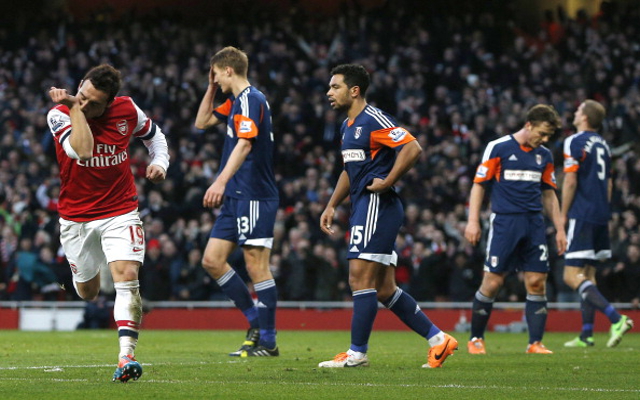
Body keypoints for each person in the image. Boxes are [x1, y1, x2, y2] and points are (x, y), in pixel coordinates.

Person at [318, 64, 458, 368]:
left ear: (354, 90)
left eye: (335, 86)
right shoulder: (347, 126)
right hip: (364, 207)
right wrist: (331, 205)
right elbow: (348, 170)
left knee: (359, 279)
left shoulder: (373, 119)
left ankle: (357, 353)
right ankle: (439, 340)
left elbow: (412, 147)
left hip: (376, 206)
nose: (329, 92)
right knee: (383, 289)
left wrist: (389, 180)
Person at [47, 64, 170, 382]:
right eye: (82, 96)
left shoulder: (127, 109)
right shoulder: (59, 114)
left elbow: (155, 136)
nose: (85, 104)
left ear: (110, 103)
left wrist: (159, 162)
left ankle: (126, 357)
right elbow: (83, 151)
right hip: (77, 218)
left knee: (127, 277)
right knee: (87, 291)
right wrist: (75, 107)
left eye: (93, 103)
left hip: (120, 210)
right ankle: (87, 272)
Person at [194, 46, 279, 357]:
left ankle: (268, 342)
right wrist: (210, 87)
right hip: (236, 197)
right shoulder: (235, 102)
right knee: (212, 260)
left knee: (257, 266)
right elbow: (202, 122)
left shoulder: (250, 100)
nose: (214, 76)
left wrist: (220, 180)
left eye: (215, 72)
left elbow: (244, 144)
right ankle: (256, 321)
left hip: (254, 194)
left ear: (228, 70)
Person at [464, 104, 566, 355]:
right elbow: (479, 185)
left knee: (536, 281)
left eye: (548, 137)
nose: (544, 139)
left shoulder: (545, 155)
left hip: (534, 224)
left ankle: (535, 343)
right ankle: (476, 338)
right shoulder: (498, 147)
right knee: (492, 283)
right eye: (542, 133)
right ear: (528, 124)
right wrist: (473, 220)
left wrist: (561, 229)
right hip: (505, 224)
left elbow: (550, 195)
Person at [561, 100, 634, 348]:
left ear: (585, 118)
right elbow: (610, 183)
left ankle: (616, 318)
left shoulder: (575, 141)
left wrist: (562, 214)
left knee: (571, 275)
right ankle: (586, 334)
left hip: (583, 213)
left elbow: (570, 180)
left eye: (578, 109)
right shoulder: (603, 144)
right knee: (588, 274)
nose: (575, 112)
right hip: (601, 212)